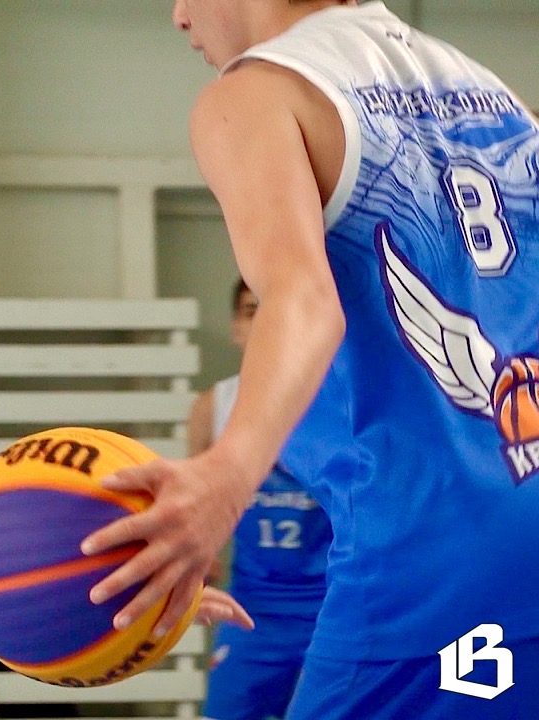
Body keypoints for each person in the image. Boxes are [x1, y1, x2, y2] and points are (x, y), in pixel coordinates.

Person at [82, 1, 539, 716]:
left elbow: (304, 299)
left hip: (426, 558)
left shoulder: (256, 92)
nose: (178, 15)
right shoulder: (495, 96)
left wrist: (226, 478)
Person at [192, 278, 331, 720]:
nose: (265, 322)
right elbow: (198, 511)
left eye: (275, 308)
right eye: (253, 311)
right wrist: (199, 559)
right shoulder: (214, 406)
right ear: (236, 327)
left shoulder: (344, 401)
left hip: (331, 609)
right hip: (252, 610)